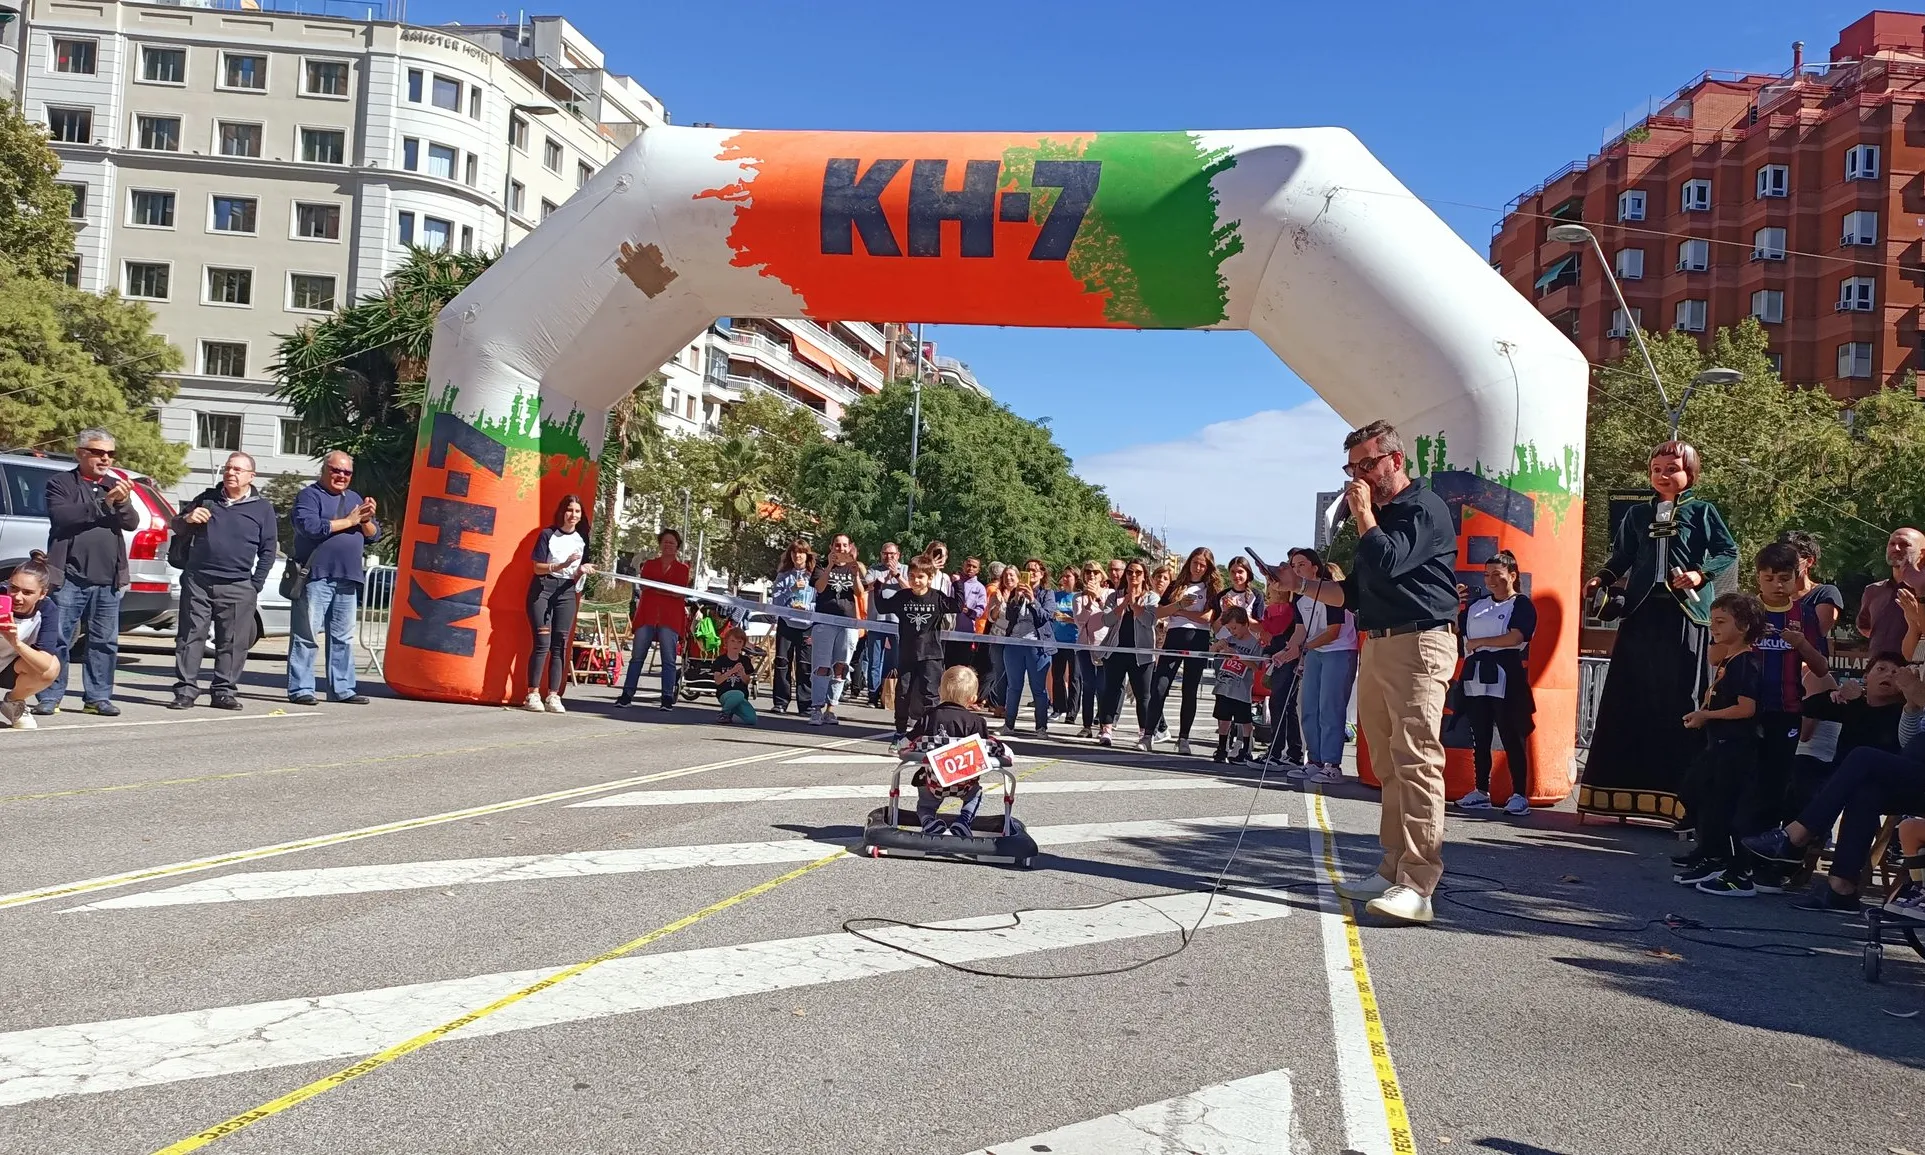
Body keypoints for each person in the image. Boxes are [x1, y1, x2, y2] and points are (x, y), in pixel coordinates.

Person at [1271, 420, 1461, 925]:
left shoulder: (1422, 508)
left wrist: (1361, 514)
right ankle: (1392, 865)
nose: (1359, 475)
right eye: (1351, 467)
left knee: (1418, 762)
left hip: (1419, 641)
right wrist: (1299, 587)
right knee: (1389, 763)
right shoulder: (1379, 518)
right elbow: (1353, 593)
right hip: (1379, 643)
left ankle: (1418, 884)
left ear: (1396, 460)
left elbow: (1389, 558)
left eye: (1367, 465)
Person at [1578, 440, 1738, 824]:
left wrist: (1700, 573)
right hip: (1642, 615)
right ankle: (1616, 795)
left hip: (1686, 615)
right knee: (1631, 697)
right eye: (1656, 469)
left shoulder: (1703, 511)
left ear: (1690, 473)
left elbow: (1727, 551)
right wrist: (1601, 578)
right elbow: (1623, 556)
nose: (1663, 475)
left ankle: (1683, 801)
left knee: (1682, 698)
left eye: (1672, 468)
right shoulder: (1636, 514)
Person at [1742, 660, 1925, 911]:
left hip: (1907, 774)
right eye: (1880, 669)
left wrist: (1919, 697)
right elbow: (1911, 741)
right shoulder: (1867, 702)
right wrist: (1913, 707)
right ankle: (1841, 888)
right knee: (1863, 791)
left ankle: (1794, 836)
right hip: (1905, 772)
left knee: (1863, 758)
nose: (1889, 675)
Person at [36, 428, 140, 717]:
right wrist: (104, 504)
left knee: (104, 642)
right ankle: (50, 695)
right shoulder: (61, 483)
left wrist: (120, 501)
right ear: (80, 452)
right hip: (69, 576)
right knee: (58, 639)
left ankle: (98, 697)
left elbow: (131, 522)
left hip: (107, 579)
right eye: (98, 452)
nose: (105, 458)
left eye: (110, 454)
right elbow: (63, 517)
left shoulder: (113, 485)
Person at [1670, 594, 1767, 897]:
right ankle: (1710, 852)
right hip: (1718, 743)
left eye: (1722, 622)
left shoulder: (1747, 662)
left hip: (1736, 747)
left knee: (1721, 805)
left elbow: (1746, 708)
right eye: (1713, 621)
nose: (1715, 627)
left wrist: (1706, 715)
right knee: (1694, 790)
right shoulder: (1729, 658)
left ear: (1745, 625)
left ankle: (1727, 863)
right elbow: (1713, 655)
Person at [170, 452, 278, 711]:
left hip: (239, 585)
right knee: (190, 637)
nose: (231, 473)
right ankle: (185, 691)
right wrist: (188, 518)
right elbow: (176, 525)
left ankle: (223, 691)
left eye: (238, 469)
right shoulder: (206, 499)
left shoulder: (262, 508)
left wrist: (255, 584)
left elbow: (269, 549)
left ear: (252, 476)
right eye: (228, 468)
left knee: (232, 642)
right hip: (199, 579)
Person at [287, 451, 379, 706]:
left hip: (347, 577)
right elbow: (311, 527)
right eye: (336, 470)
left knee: (343, 638)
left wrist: (367, 519)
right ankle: (301, 689)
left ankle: (342, 688)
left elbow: (373, 535)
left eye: (346, 472)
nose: (341, 476)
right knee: (307, 635)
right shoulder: (309, 495)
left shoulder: (354, 498)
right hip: (316, 576)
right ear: (324, 470)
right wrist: (349, 520)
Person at [1450, 550, 1537, 816]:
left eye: (1497, 575)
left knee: (1511, 735)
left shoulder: (1521, 604)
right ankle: (1480, 790)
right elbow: (1456, 629)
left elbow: (1515, 638)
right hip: (1476, 675)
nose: (1491, 580)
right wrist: (1453, 605)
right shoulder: (1477, 606)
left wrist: (1482, 643)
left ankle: (1519, 793)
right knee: (1481, 735)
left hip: (1505, 673)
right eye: (1487, 575)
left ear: (1512, 576)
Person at [904, 666, 1011, 837]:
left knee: (925, 804)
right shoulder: (976, 722)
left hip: (934, 782)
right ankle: (964, 821)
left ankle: (929, 821)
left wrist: (902, 748)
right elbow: (986, 748)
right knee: (975, 795)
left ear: (940, 691)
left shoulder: (929, 716)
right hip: (965, 782)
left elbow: (909, 742)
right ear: (973, 698)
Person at [874, 554, 961, 743]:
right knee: (903, 693)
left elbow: (958, 606)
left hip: (931, 655)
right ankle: (899, 732)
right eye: (912, 576)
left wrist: (957, 584)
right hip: (907, 654)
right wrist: (878, 586)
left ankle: (930, 732)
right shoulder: (903, 596)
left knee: (930, 695)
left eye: (920, 577)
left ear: (930, 578)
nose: (915, 580)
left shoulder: (937, 597)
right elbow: (881, 607)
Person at [1290, 548, 1357, 785]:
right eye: (1294, 566)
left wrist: (1304, 647)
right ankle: (1314, 761)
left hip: (1339, 650)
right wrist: (1288, 650)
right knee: (1309, 706)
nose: (1297, 570)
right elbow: (1299, 631)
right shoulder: (1298, 596)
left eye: (1302, 565)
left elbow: (1333, 631)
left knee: (1330, 707)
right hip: (1314, 652)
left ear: (1315, 567)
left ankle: (1332, 764)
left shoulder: (1329, 590)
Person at [523, 495, 596, 714]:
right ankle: (532, 693)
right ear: (562, 512)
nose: (573, 515)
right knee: (542, 643)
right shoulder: (548, 534)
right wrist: (562, 564)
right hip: (543, 589)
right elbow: (537, 568)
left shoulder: (582, 539)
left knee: (560, 645)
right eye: (569, 510)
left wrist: (581, 571)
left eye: (577, 512)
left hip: (566, 592)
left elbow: (577, 574)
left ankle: (553, 695)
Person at [1150, 547, 1221, 755]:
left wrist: (1180, 611)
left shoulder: (1210, 589)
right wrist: (1179, 604)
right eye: (1195, 563)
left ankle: (1184, 738)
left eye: (1202, 565)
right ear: (1189, 562)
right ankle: (1148, 733)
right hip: (1174, 636)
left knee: (1189, 690)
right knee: (1160, 686)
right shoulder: (1176, 585)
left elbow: (1207, 618)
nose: (1198, 568)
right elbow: (1159, 612)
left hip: (1197, 639)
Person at [617, 529, 691, 710]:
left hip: (670, 618)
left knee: (668, 659)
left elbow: (678, 592)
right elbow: (644, 586)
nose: (668, 545)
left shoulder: (682, 569)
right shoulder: (649, 564)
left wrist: (659, 589)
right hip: (647, 615)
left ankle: (667, 697)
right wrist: (666, 590)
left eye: (672, 543)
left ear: (677, 547)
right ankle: (627, 694)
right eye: (665, 542)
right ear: (660, 544)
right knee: (637, 657)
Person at [1098, 559, 1159, 749]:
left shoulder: (1151, 597)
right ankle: (1106, 729)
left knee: (1143, 694)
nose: (1134, 576)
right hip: (1116, 650)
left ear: (1144, 576)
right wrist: (1124, 603)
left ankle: (1145, 733)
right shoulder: (1113, 596)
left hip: (1142, 653)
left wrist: (1135, 605)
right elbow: (1106, 620)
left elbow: (1149, 621)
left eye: (1138, 573)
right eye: (1130, 572)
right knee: (1111, 690)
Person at [809, 534, 864, 725]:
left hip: (847, 621)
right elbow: (820, 588)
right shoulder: (821, 565)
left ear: (849, 547)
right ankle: (816, 707)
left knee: (840, 665)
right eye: (837, 545)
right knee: (822, 665)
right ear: (831, 546)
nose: (841, 548)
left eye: (844, 545)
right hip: (824, 621)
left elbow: (859, 593)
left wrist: (856, 574)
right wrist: (831, 566)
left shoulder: (852, 567)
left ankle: (831, 708)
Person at [0, 553, 60, 730]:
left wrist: (15, 642)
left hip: (9, 667)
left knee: (51, 667)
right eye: (13, 588)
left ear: (42, 594)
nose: (17, 597)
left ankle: (13, 702)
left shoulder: (48, 610)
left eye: (27, 593)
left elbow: (44, 664)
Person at [998, 559, 1056, 737]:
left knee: (1038, 688)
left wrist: (1032, 600)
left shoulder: (1047, 594)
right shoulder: (1018, 592)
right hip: (1014, 643)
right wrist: (1015, 600)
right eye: (1028, 570)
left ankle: (1041, 727)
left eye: (1035, 570)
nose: (1031, 573)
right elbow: (1009, 616)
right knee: (1013, 686)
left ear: (1042, 574)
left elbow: (1046, 617)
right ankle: (1009, 724)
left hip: (1036, 645)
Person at [1209, 606, 1267, 764]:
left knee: (1244, 720)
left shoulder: (1255, 644)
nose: (1232, 632)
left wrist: (1238, 657)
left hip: (1241, 689)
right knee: (1223, 719)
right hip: (1224, 685)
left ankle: (1246, 749)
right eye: (1229, 629)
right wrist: (1217, 646)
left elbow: (1256, 667)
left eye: (1234, 628)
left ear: (1245, 624)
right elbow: (1211, 652)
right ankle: (1222, 748)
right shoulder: (1229, 640)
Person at [1856, 527, 1925, 659]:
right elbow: (1864, 627)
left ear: (1922, 554)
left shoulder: (1923, 593)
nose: (1896, 548)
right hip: (1878, 671)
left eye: (1904, 544)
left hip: (1915, 672)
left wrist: (1915, 619)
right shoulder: (1873, 590)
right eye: (1892, 544)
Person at [1259, 591, 1306, 767]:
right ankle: (1292, 752)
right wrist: (1267, 651)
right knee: (1284, 704)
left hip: (1289, 657)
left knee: (1280, 702)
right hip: (1278, 657)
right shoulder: (1270, 611)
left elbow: (1287, 635)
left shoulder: (1292, 609)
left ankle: (1278, 752)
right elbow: (1269, 637)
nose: (1271, 589)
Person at [769, 541, 816, 715]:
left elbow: (819, 601)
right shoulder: (783, 576)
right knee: (782, 662)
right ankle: (780, 702)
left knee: (805, 665)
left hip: (807, 626)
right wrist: (791, 590)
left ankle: (805, 704)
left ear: (807, 555)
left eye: (802, 553)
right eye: (795, 553)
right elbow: (776, 601)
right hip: (786, 624)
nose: (798, 556)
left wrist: (808, 608)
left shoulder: (814, 575)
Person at [864, 543, 906, 708]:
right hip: (876, 620)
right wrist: (884, 579)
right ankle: (872, 695)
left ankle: (888, 693)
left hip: (897, 622)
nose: (889, 557)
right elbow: (867, 586)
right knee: (874, 660)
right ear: (881, 554)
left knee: (894, 660)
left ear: (898, 555)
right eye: (885, 554)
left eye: (892, 554)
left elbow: (910, 588)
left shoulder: (905, 569)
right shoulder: (874, 569)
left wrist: (897, 576)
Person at [1072, 562, 1110, 738]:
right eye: (1088, 572)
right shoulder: (1078, 598)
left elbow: (1111, 616)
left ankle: (1104, 725)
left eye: (1095, 572)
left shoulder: (1110, 594)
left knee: (1103, 687)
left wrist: (1098, 598)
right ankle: (1087, 725)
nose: (1092, 575)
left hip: (1105, 645)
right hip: (1084, 645)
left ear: (1102, 575)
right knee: (1088, 685)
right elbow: (1079, 621)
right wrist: (1088, 603)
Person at [1049, 565, 1082, 722]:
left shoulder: (1080, 596)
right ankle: (1058, 707)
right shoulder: (1057, 596)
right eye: (1063, 576)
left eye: (1068, 576)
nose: (1064, 579)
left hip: (1075, 641)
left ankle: (1072, 711)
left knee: (1075, 677)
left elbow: (1084, 620)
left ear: (1075, 578)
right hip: (1058, 640)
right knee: (1057, 675)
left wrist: (1068, 618)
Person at [945, 556, 987, 677]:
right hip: (949, 632)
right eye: (968, 565)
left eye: (974, 566)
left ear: (978, 570)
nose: (970, 568)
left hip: (966, 633)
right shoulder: (953, 583)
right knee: (948, 667)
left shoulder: (980, 588)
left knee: (962, 670)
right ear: (963, 565)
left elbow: (980, 611)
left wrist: (967, 611)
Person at [711, 628, 758, 725]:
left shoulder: (745, 660)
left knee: (752, 720)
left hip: (742, 696)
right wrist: (731, 671)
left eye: (739, 642)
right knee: (737, 694)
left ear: (743, 645)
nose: (735, 644)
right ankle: (724, 713)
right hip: (725, 693)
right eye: (732, 641)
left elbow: (746, 681)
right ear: (726, 643)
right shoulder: (720, 660)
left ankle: (731, 710)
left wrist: (742, 674)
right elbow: (717, 681)